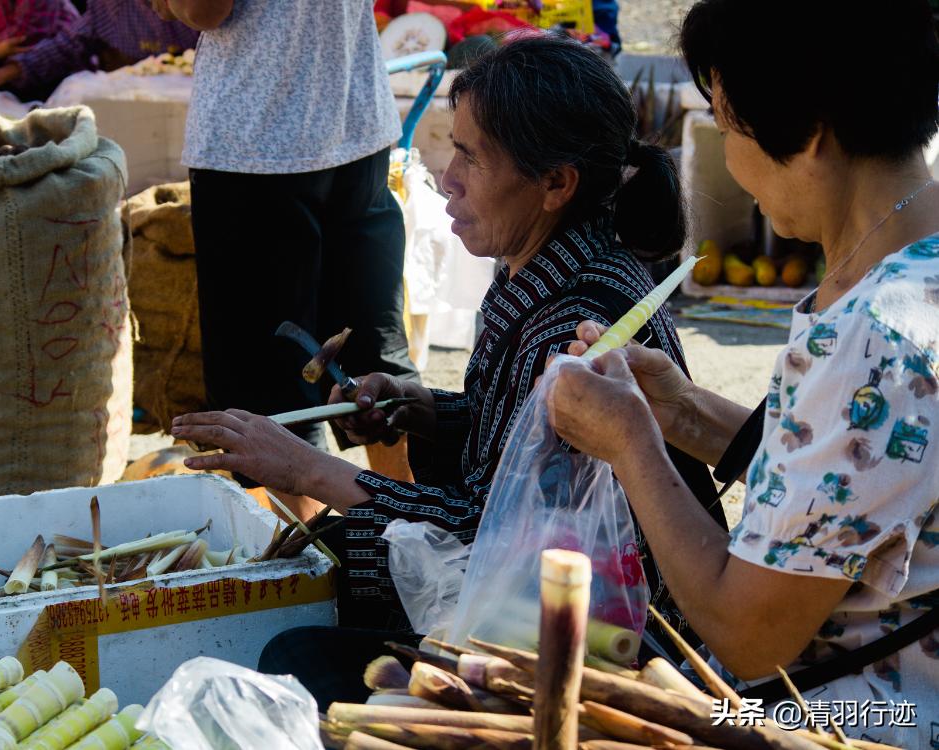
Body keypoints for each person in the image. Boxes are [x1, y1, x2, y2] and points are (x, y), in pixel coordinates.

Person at [174, 34, 725, 692]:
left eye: (469, 156)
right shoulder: (547, 264)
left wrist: (304, 466)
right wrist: (430, 411)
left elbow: (484, 527)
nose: (446, 178)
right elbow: (525, 445)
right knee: (318, 563)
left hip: (604, 632)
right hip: (529, 573)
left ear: (555, 183)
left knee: (296, 630)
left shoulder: (574, 326)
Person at [546, 1, 938, 745]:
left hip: (857, 722)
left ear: (811, 132)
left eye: (727, 124)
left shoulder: (875, 336)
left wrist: (629, 443)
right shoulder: (909, 269)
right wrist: (682, 413)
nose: (726, 156)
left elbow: (747, 635)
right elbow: (858, 489)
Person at [150, 0, 419, 518]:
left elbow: (203, 9)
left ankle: (317, 574)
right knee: (375, 362)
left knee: (267, 392)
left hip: (256, 138)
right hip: (354, 119)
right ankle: (412, 541)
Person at [0, 0, 199, 97]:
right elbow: (71, 41)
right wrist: (12, 71)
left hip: (194, 93)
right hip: (131, 95)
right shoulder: (110, 5)